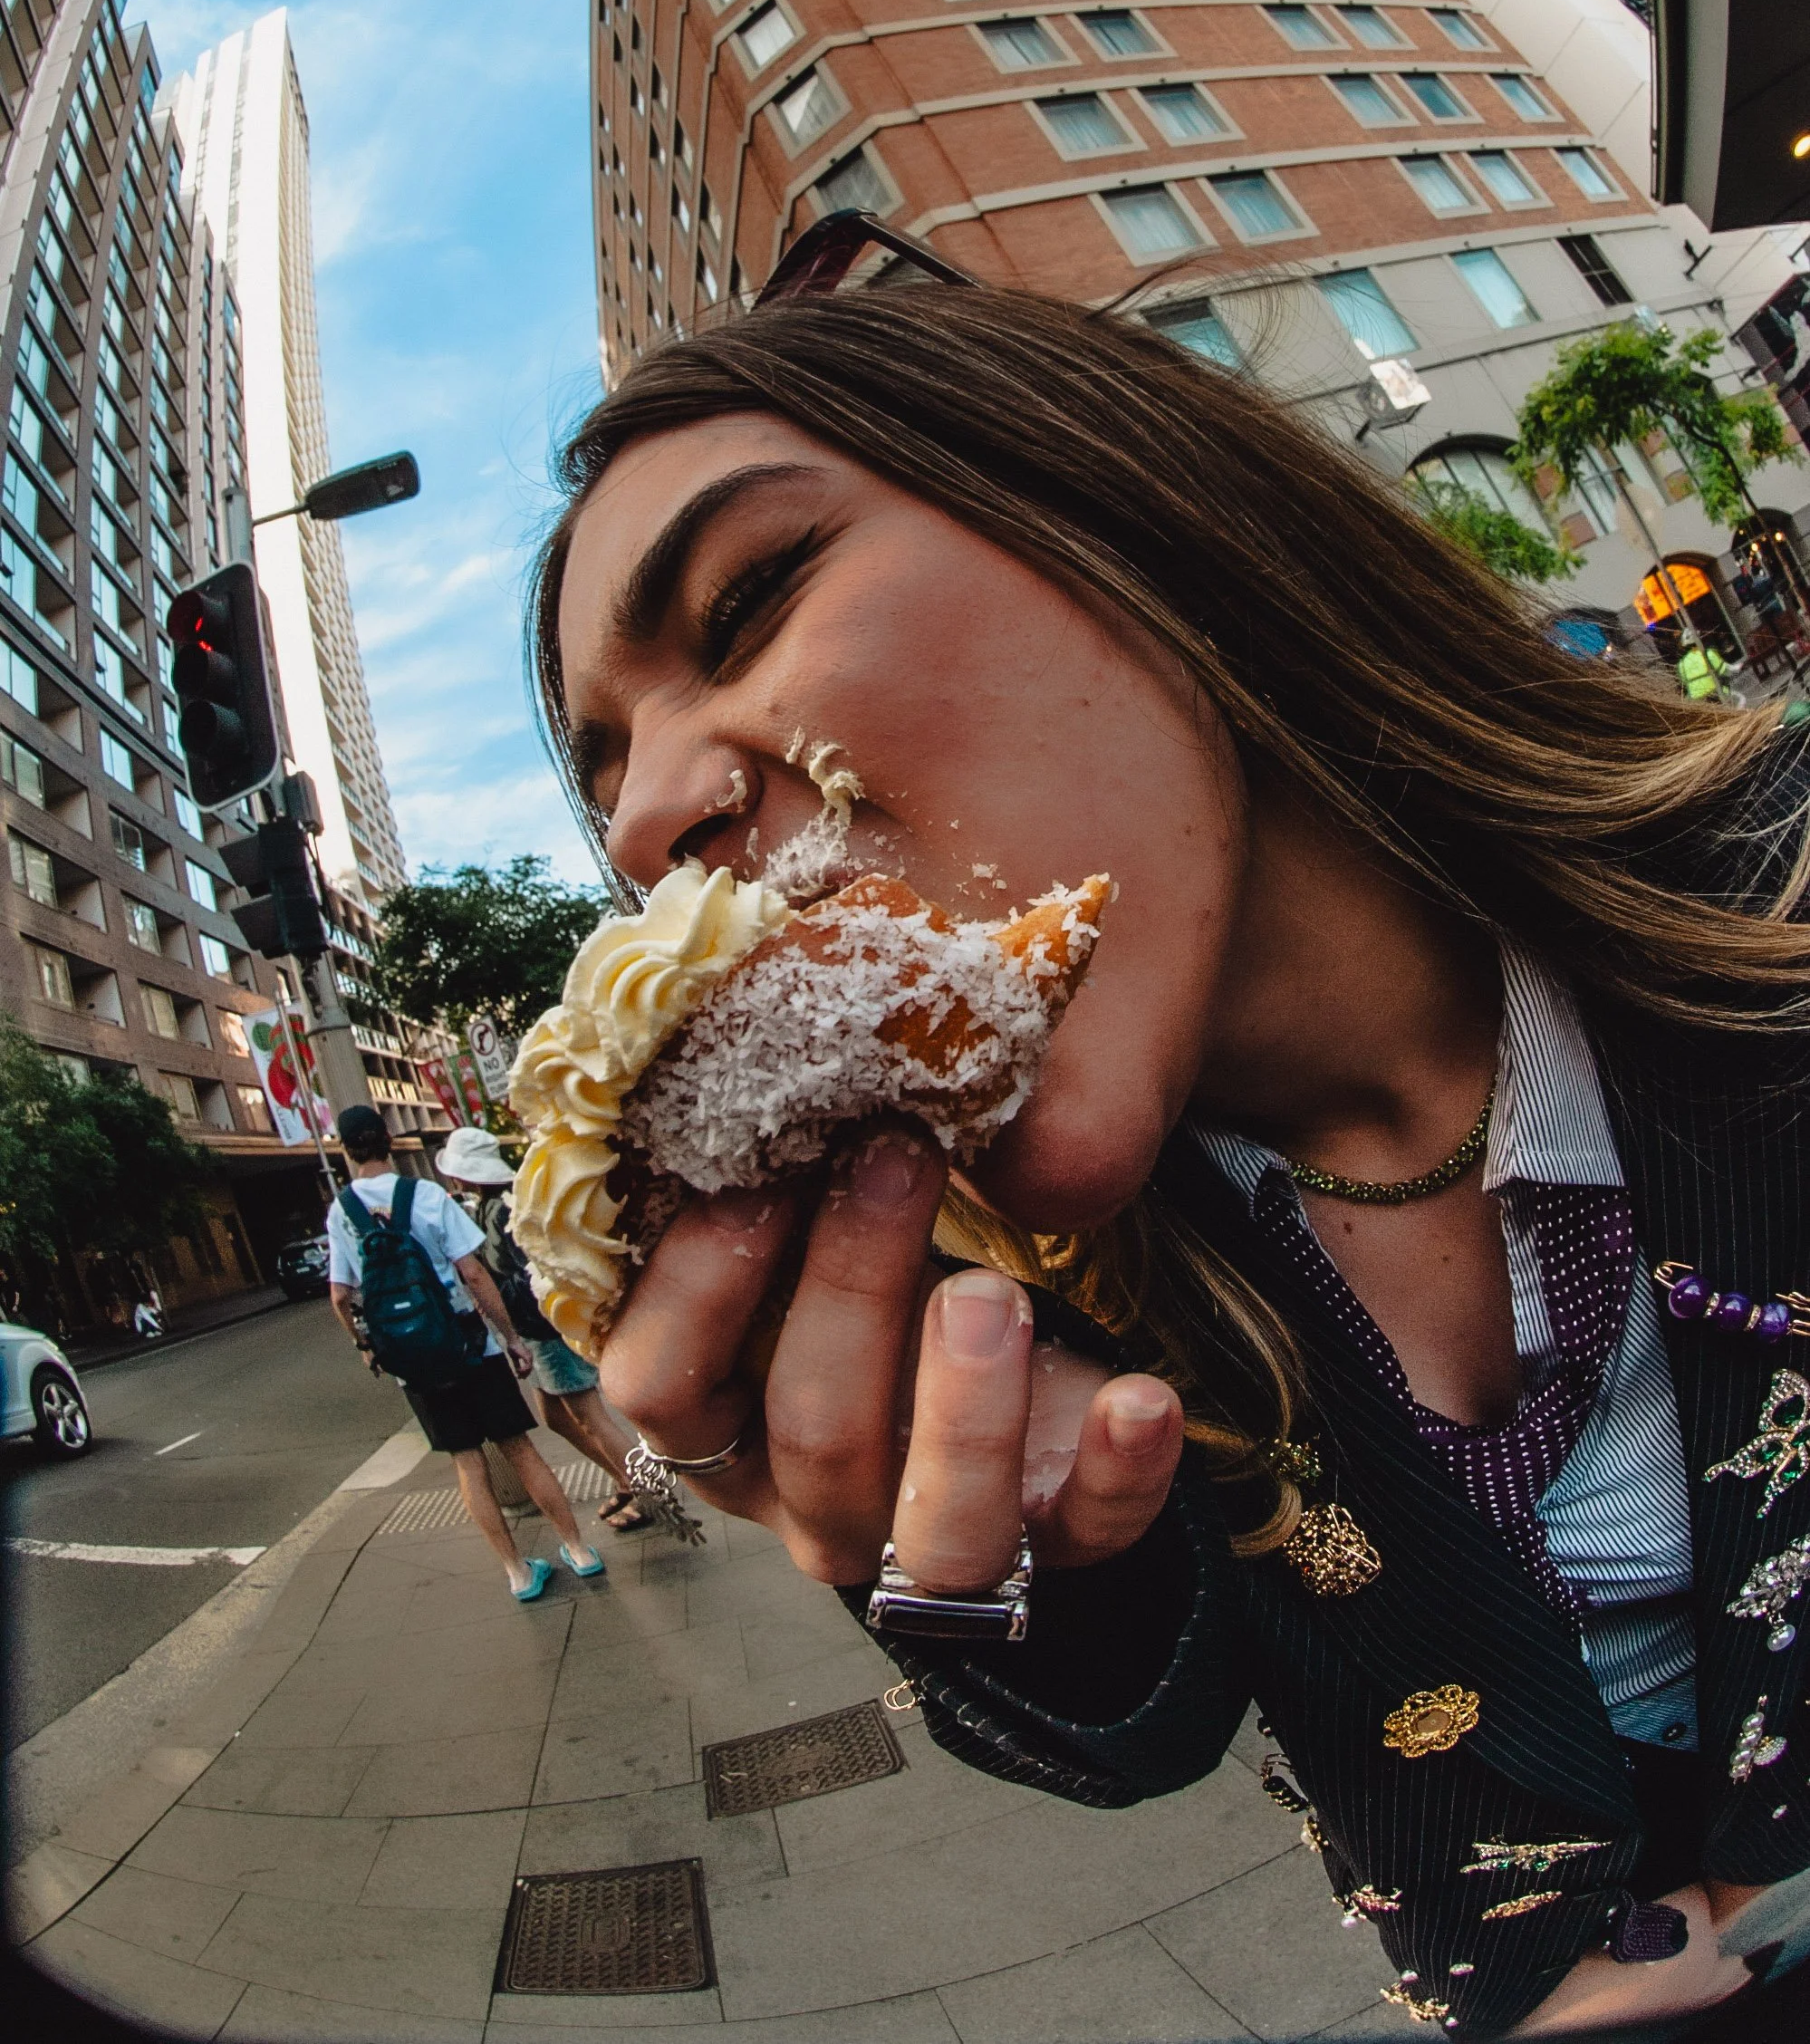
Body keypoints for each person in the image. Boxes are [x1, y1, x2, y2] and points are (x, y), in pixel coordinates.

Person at [520, 256, 1810, 2039]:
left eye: (748, 600)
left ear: (1131, 513)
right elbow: (1152, 1703)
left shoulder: (1775, 896)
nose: (651, 812)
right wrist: (1010, 1564)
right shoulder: (1038, 1304)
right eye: (604, 783)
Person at [324, 1104, 605, 1601]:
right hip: (469, 1342)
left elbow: (341, 1296)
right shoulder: (427, 1195)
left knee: (467, 1462)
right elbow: (474, 1273)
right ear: (388, 1139)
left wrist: (364, 1345)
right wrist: (512, 1340)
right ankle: (578, 1550)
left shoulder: (340, 1211)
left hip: (412, 1360)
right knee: (519, 1447)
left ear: (345, 1150)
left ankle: (518, 1573)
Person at [434, 1123, 658, 1532]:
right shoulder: (491, 1207)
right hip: (539, 1328)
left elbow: (528, 1272)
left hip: (545, 1326)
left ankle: (650, 1493)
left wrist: (494, 1293)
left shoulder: (501, 1211)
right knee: (555, 1416)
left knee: (589, 1415)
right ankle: (627, 1481)